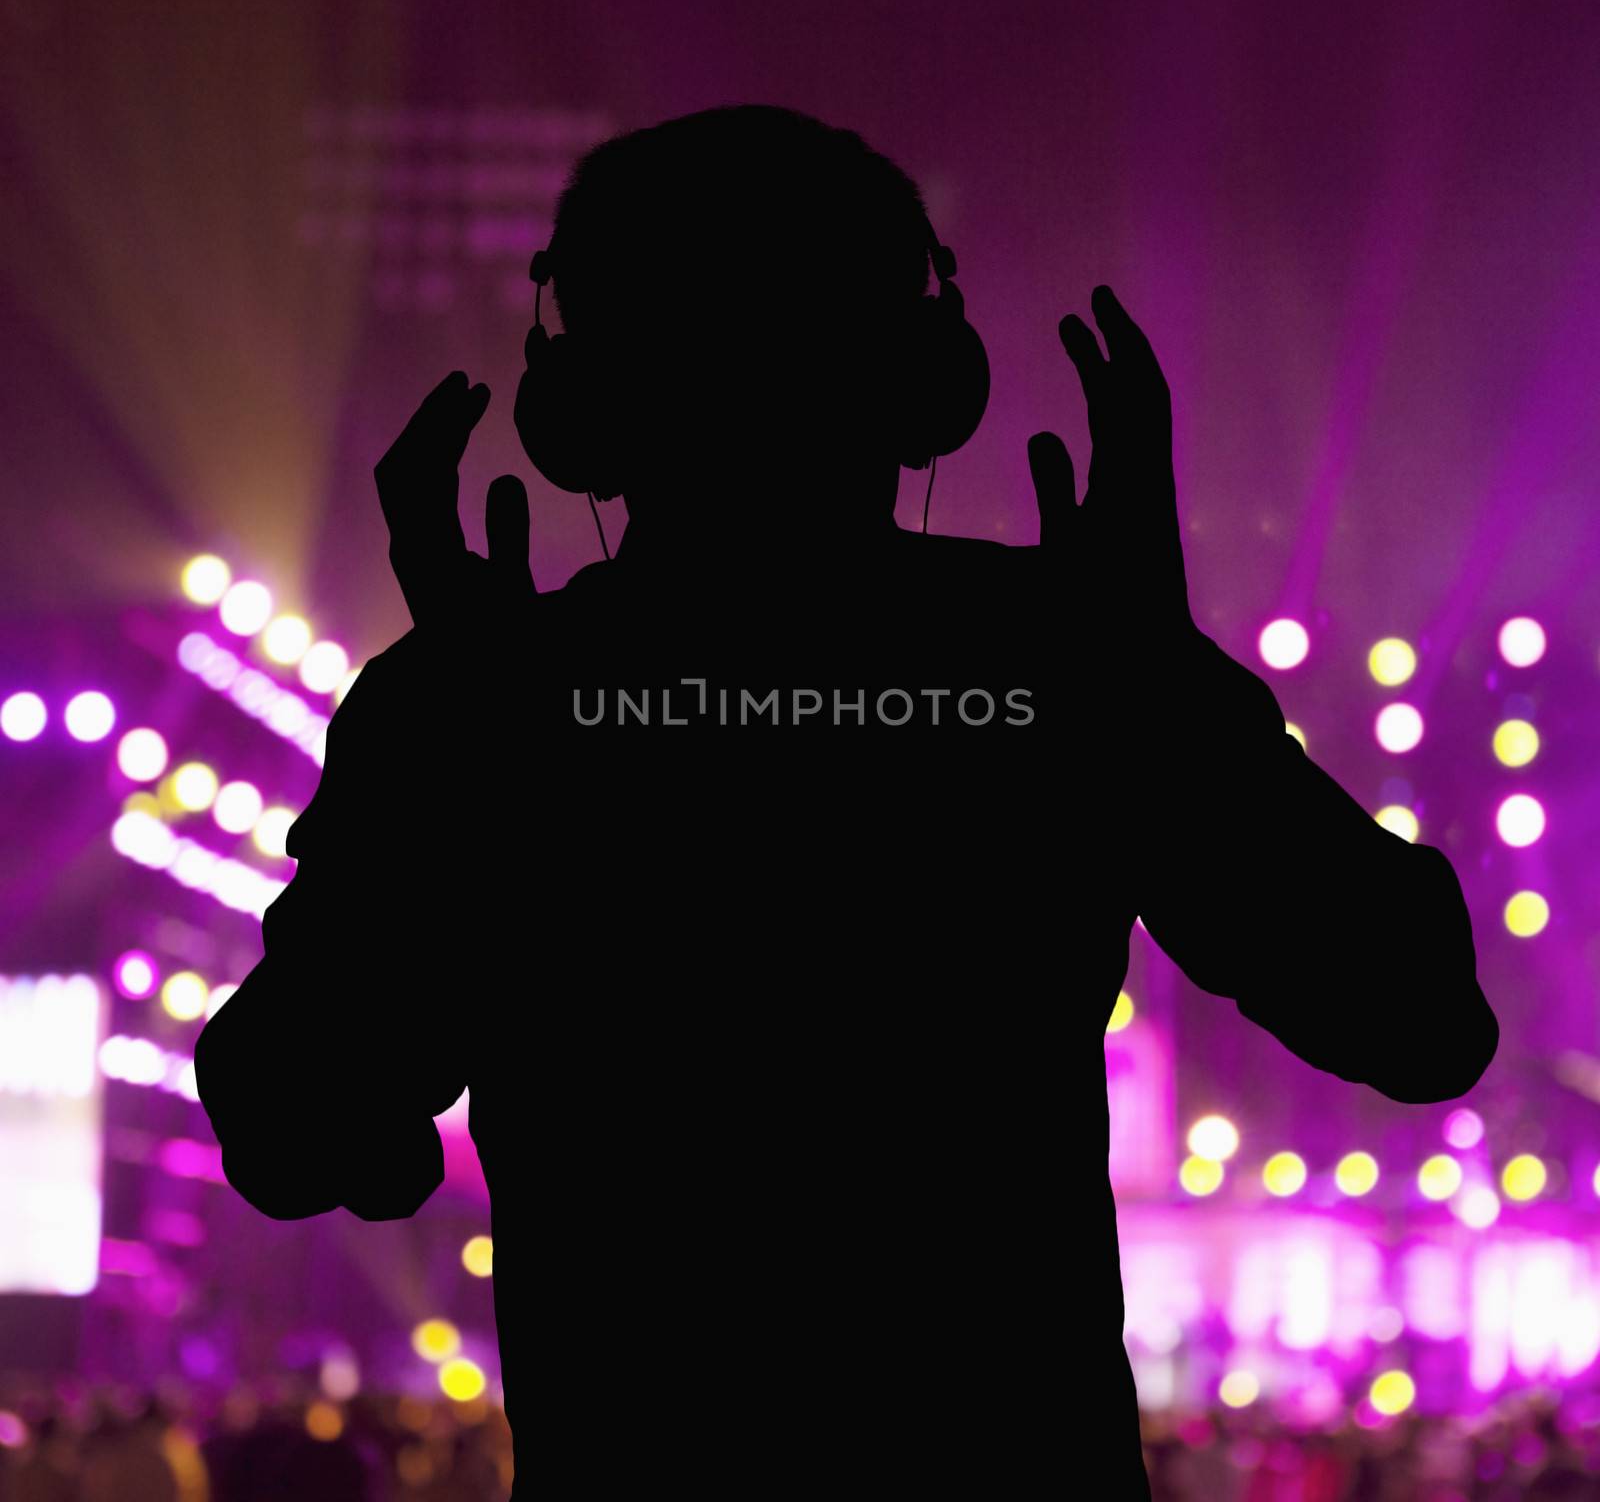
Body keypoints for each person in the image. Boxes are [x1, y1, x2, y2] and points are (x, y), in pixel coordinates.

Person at [195, 104, 1499, 1498]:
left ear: (579, 410)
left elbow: (301, 1127)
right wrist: (1158, 675)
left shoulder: (486, 707)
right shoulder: (1064, 672)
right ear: (927, 380)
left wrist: (462, 749)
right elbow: (1418, 1016)